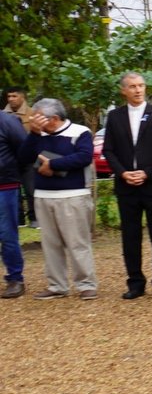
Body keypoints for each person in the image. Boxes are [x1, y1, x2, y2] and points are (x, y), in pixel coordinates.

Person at [101, 71, 152, 299]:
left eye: (141, 85)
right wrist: (123, 173)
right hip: (127, 187)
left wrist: (148, 172)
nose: (138, 90)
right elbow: (108, 150)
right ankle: (135, 282)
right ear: (124, 90)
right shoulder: (114, 117)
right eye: (132, 86)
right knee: (130, 236)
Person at [19, 98, 95, 298]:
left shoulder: (80, 132)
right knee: (50, 244)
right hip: (43, 195)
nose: (34, 120)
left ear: (53, 118)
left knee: (77, 242)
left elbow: (84, 157)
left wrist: (52, 165)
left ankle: (86, 284)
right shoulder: (37, 135)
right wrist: (34, 134)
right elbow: (24, 158)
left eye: (38, 117)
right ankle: (57, 286)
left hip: (73, 195)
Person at [0, 102, 25, 298]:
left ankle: (15, 278)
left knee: (7, 234)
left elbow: (23, 150)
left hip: (5, 186)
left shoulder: (7, 121)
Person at [5, 85, 35, 229]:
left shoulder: (33, 113)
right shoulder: (3, 115)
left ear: (22, 97)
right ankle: (19, 220)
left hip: (29, 159)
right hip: (10, 160)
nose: (11, 99)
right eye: (9, 96)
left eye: (14, 96)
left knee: (31, 189)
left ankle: (34, 218)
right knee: (13, 192)